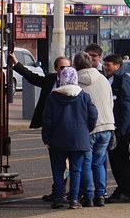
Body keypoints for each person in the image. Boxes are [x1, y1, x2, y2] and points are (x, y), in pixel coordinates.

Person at [10, 51, 70, 202]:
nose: (65, 71)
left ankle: (75, 193)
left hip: (70, 128)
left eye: (68, 67)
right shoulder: (50, 79)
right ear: (56, 68)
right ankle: (58, 191)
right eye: (62, 67)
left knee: (71, 163)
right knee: (58, 162)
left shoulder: (76, 82)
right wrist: (16, 63)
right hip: (52, 127)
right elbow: (32, 78)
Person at [41, 66, 98, 209]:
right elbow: (93, 115)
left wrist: (46, 139)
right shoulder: (84, 96)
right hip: (79, 138)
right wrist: (86, 130)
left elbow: (47, 120)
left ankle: (58, 198)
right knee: (76, 169)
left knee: (58, 170)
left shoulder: (53, 96)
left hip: (57, 139)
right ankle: (74, 200)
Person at [102, 53, 130, 203]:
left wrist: (121, 129)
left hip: (123, 130)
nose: (105, 67)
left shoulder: (123, 80)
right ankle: (122, 190)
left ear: (118, 66)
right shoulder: (112, 79)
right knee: (116, 160)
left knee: (120, 161)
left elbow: (128, 105)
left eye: (109, 65)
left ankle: (124, 191)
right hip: (116, 127)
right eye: (105, 64)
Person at [72, 51, 115, 207]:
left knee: (86, 163)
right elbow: (111, 102)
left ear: (75, 65)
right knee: (99, 162)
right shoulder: (103, 79)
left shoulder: (76, 82)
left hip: (88, 127)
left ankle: (88, 196)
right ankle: (100, 195)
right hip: (107, 125)